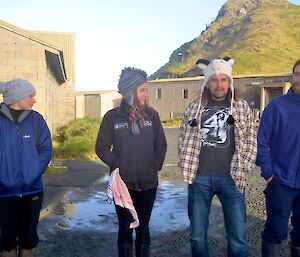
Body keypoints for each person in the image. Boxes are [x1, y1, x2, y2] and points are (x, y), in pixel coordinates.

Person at [178, 58, 257, 257]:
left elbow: (250, 138)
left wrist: (244, 166)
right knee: (197, 236)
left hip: (231, 178)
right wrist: (188, 167)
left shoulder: (241, 107)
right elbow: (183, 137)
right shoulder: (194, 107)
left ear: (229, 81)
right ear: (207, 83)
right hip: (200, 179)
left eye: (223, 79)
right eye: (214, 79)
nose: (219, 84)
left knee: (237, 237)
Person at [95, 67, 167, 257]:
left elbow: (161, 145)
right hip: (123, 186)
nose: (146, 94)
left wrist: (154, 164)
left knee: (143, 228)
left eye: (146, 89)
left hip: (148, 184)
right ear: (130, 92)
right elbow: (101, 148)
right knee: (125, 228)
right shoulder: (112, 118)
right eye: (142, 90)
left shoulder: (152, 115)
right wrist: (118, 164)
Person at [0, 78, 52, 257]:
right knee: (6, 244)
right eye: (31, 95)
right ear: (17, 97)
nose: (34, 100)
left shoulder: (36, 119)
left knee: (29, 241)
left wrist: (35, 170)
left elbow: (45, 148)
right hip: (4, 193)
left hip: (32, 191)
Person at [256, 59, 300, 257]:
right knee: (276, 231)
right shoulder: (276, 107)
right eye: (297, 74)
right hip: (281, 182)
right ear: (293, 77)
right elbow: (261, 142)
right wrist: (269, 173)